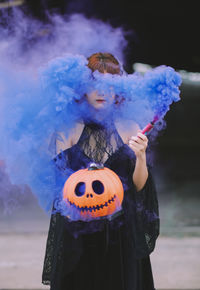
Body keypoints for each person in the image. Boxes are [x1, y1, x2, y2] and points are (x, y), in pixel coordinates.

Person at [42, 52, 159, 290]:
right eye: (94, 83)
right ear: (83, 89)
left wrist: (140, 155)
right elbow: (57, 187)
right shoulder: (68, 130)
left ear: (119, 89)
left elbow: (139, 187)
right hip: (78, 233)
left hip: (121, 233)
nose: (102, 91)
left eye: (109, 84)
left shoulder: (130, 128)